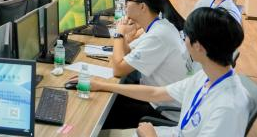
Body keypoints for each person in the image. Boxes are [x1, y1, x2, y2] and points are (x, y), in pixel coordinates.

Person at [84, 8, 248, 137]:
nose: (184, 41)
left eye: (187, 36)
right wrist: (102, 85)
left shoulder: (228, 108)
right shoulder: (206, 75)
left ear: (198, 46)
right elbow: (156, 93)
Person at [102, 0, 189, 129]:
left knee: (103, 110)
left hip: (163, 111)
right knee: (109, 97)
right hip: (156, 97)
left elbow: (118, 70)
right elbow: (128, 53)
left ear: (142, 6)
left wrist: (119, 34)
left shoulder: (158, 35)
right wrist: (125, 36)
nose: (124, 4)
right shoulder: (160, 25)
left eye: (127, 0)